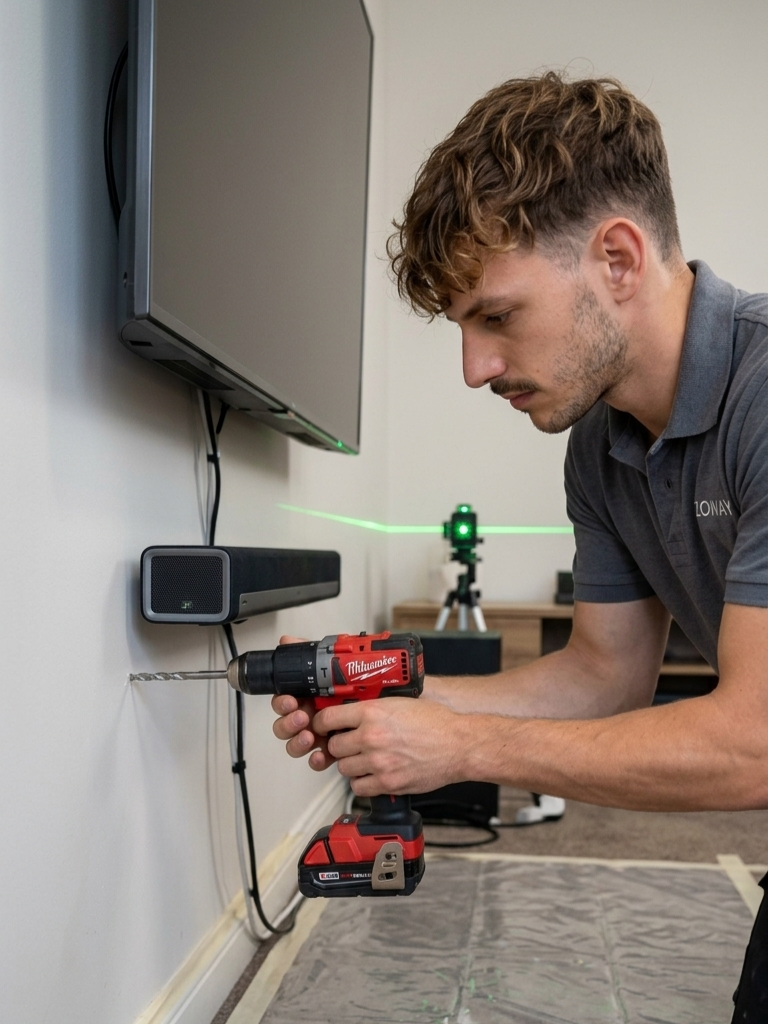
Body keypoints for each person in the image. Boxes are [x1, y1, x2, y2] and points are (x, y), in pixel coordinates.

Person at [272, 72, 768, 1020]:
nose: (475, 368)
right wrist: (397, 706)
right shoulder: (599, 442)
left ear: (617, 259)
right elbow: (604, 678)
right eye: (464, 328)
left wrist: (460, 744)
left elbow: (755, 744)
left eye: (497, 316)